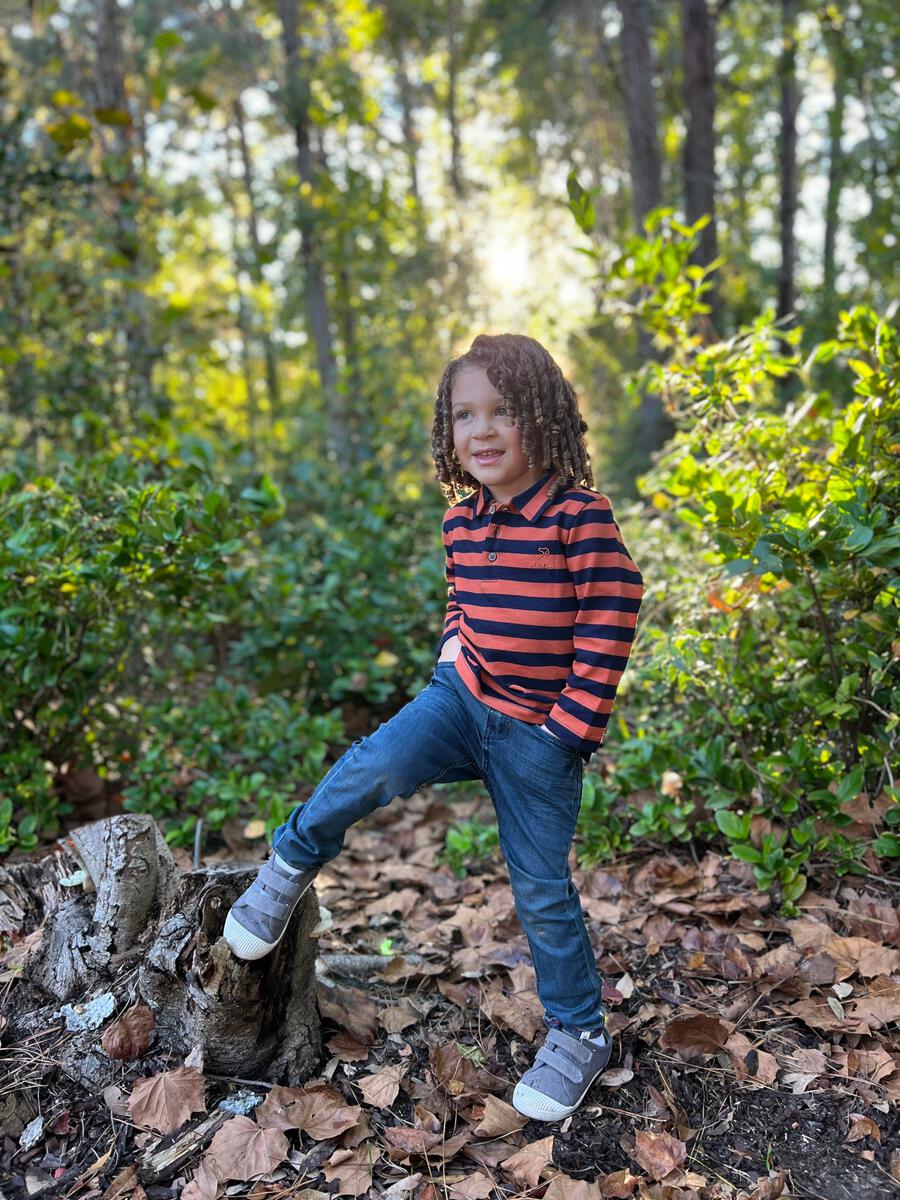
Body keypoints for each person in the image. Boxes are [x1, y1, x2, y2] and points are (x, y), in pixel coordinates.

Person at [224, 333, 644, 1121]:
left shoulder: (578, 516)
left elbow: (612, 615)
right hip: (461, 700)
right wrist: (453, 660)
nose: (482, 431)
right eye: (464, 415)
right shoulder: (461, 523)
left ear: (545, 418)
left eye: (504, 411)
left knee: (542, 888)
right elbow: (462, 604)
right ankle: (287, 864)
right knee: (372, 764)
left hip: (540, 734)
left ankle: (580, 1032)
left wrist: (568, 730)